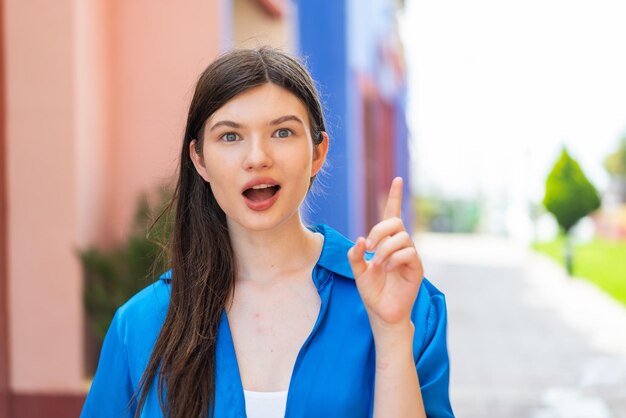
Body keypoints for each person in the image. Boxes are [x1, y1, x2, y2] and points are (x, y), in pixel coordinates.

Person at [81, 46, 454, 418]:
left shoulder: (404, 304)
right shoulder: (142, 324)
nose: (257, 157)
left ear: (318, 153)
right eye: (230, 137)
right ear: (200, 160)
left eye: (282, 132)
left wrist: (391, 335)